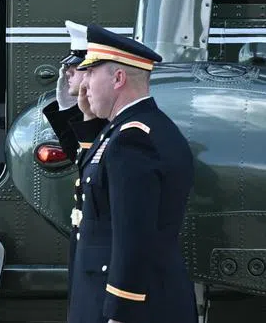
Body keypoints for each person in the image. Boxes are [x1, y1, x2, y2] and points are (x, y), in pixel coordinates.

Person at [69, 24, 195, 323]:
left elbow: (134, 238)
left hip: (129, 307)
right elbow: (92, 183)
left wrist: (121, 313)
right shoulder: (132, 129)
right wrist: (88, 118)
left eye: (91, 73)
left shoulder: (132, 140)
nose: (84, 84)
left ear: (118, 78)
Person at [41, 21, 105, 313]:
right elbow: (80, 156)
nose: (66, 71)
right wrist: (67, 107)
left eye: (76, 67)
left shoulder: (115, 130)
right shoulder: (96, 122)